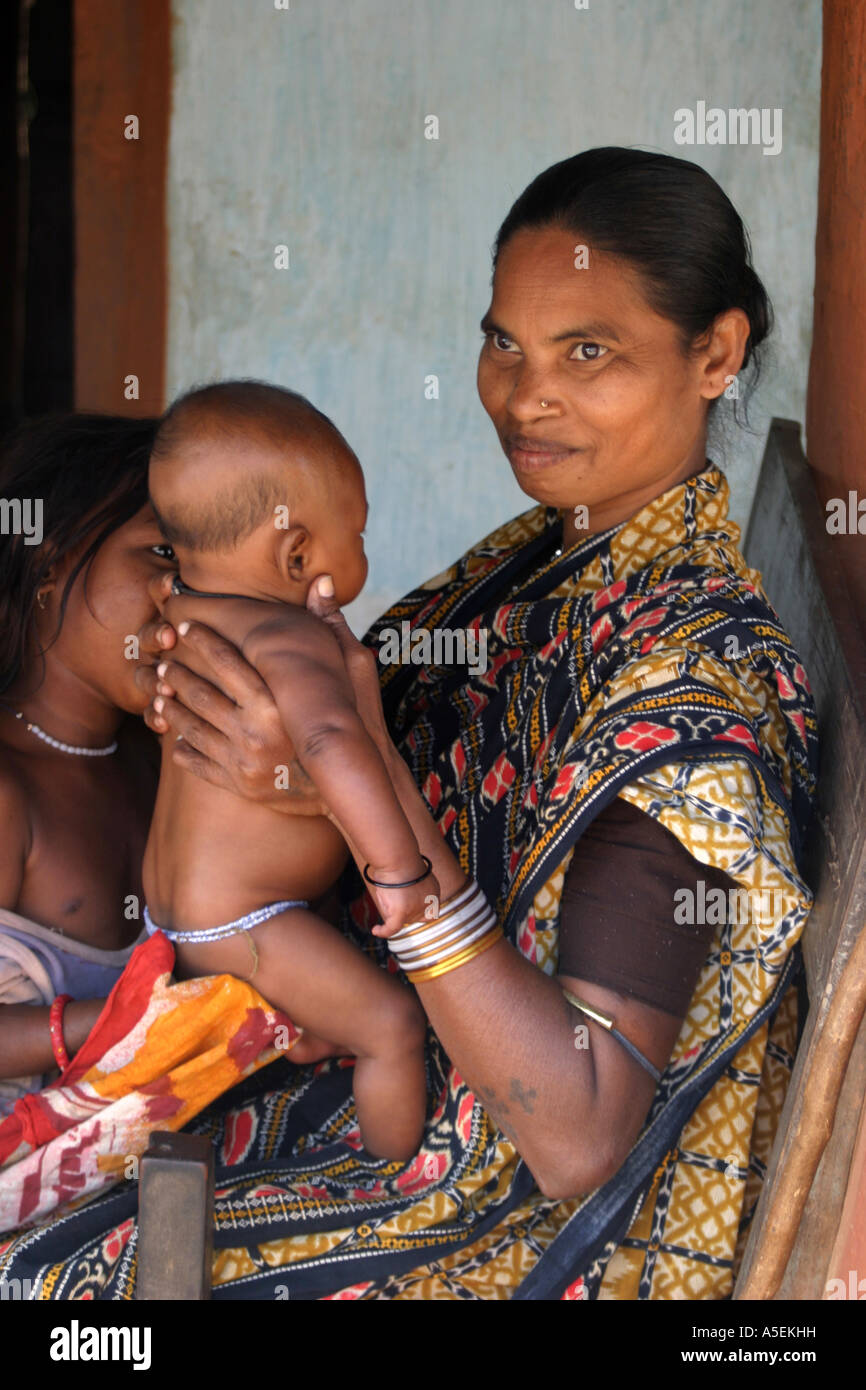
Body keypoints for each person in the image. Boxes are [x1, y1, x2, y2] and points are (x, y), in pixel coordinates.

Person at [0, 149, 817, 1301]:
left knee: (59, 1287)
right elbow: (370, 744)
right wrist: (286, 777)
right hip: (380, 1062)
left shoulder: (687, 680)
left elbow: (575, 1131)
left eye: (587, 353)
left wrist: (358, 797)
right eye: (503, 345)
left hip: (512, 1214)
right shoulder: (539, 564)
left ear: (715, 356)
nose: (525, 397)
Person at [143, 381, 433, 1159]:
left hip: (173, 916)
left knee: (322, 1017)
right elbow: (337, 744)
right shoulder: (289, 637)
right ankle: (393, 1189)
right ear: (296, 554)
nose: (365, 553)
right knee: (394, 1028)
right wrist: (400, 877)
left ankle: (298, 1039)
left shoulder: (179, 618)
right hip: (247, 923)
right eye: (359, 535)